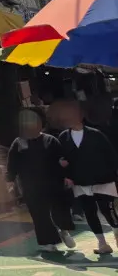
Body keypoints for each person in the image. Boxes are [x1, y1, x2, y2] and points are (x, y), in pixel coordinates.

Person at [6, 108, 76, 252]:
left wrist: (68, 175)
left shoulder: (50, 140)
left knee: (59, 209)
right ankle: (49, 242)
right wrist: (10, 180)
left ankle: (64, 231)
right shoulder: (19, 143)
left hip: (53, 182)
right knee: (39, 214)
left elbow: (62, 159)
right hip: (30, 185)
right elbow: (12, 162)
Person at [56, 98, 118, 254]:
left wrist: (111, 175)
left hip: (102, 181)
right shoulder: (63, 137)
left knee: (108, 211)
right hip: (80, 182)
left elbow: (111, 156)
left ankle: (117, 236)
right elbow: (61, 158)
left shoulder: (96, 134)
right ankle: (102, 244)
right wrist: (64, 170)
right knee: (90, 212)